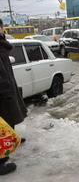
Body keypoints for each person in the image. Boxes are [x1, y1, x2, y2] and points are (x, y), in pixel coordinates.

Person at [0, 18, 28, 175]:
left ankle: (12, 138)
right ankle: (1, 162)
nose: (2, 29)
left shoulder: (1, 44)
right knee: (4, 123)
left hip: (6, 90)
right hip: (3, 93)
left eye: (1, 26)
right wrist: (6, 93)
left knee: (8, 122)